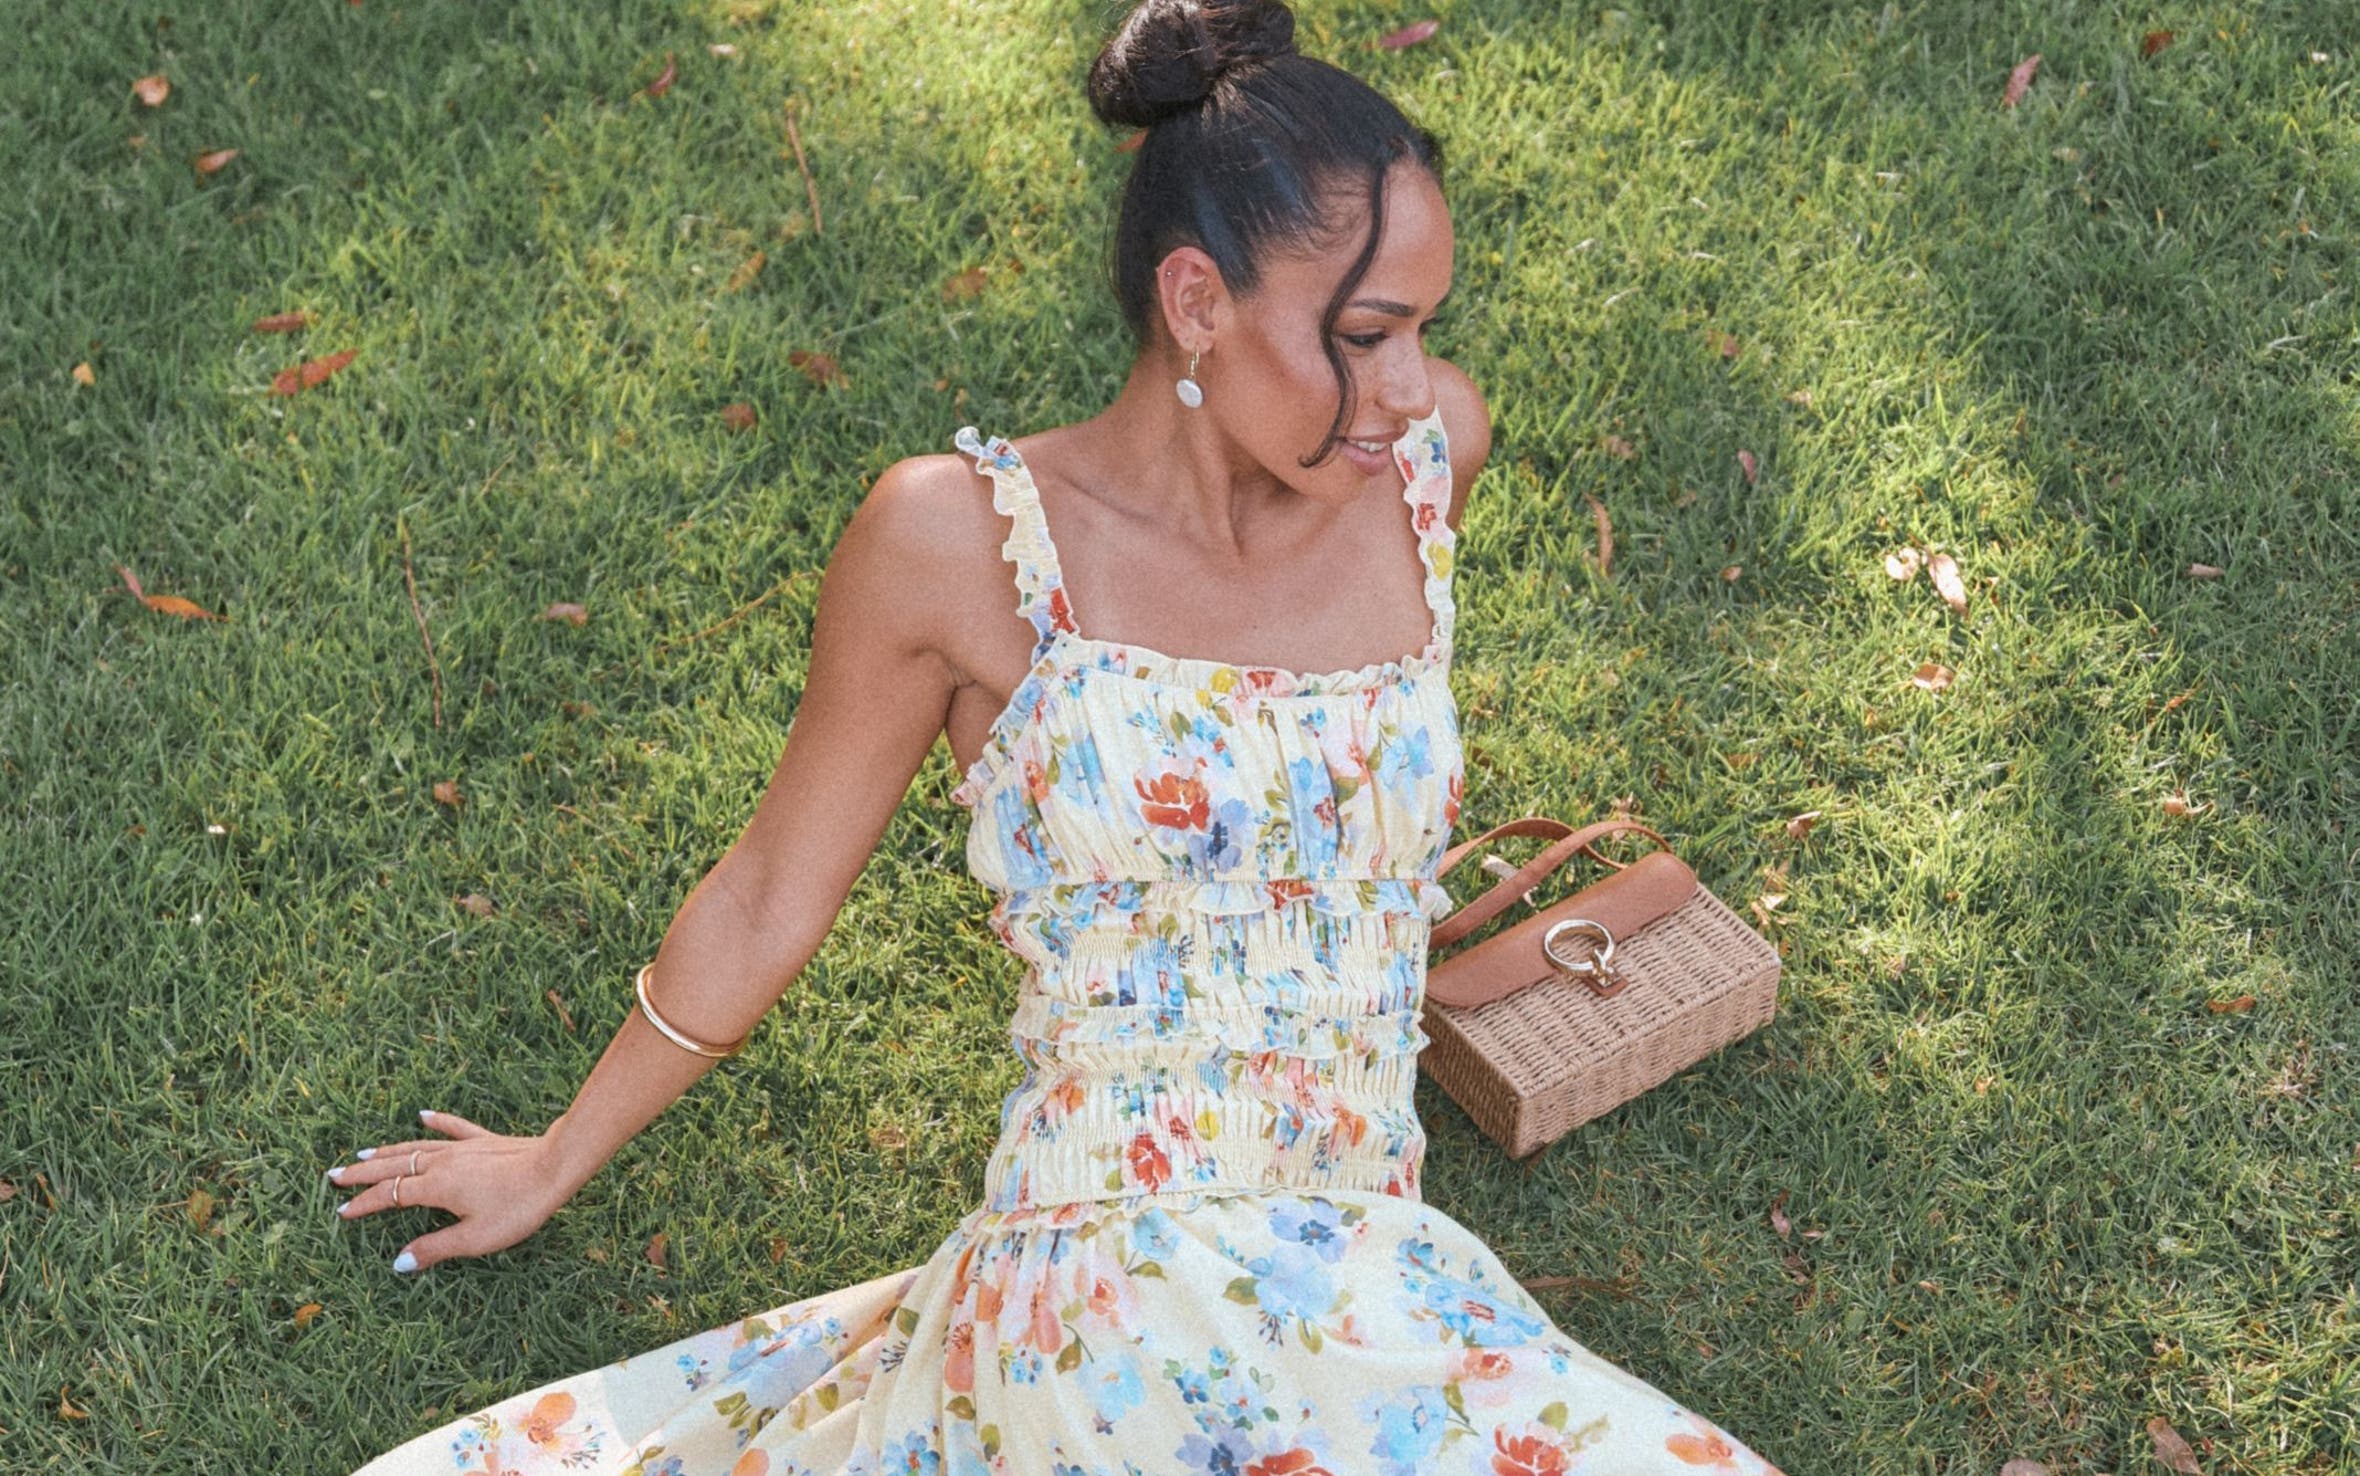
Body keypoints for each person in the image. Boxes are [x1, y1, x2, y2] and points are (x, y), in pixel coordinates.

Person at [336, 1, 1785, 1470]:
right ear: (1197, 300)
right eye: (1365, 335)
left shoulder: (1421, 465)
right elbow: (770, 893)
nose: (1411, 385)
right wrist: (552, 1159)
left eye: (1424, 328)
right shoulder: (953, 546)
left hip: (1373, 1261)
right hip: (1099, 1287)